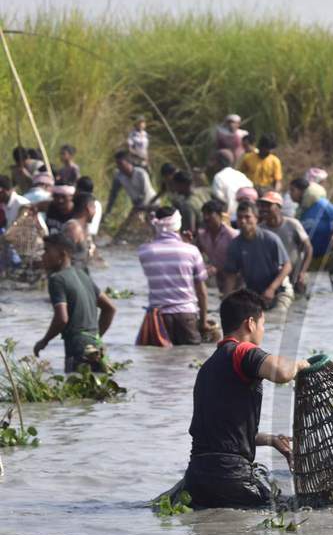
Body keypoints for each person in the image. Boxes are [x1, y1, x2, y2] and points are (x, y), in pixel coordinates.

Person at [182, 290, 308, 508]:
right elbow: (282, 373)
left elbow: (222, 433)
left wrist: (270, 440)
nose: (262, 330)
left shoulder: (209, 367)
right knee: (289, 511)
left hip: (196, 478)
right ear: (250, 323)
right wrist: (299, 365)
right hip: (231, 476)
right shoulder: (242, 351)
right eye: (262, 324)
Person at [33, 233, 115, 372]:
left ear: (62, 254)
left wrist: (44, 341)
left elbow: (62, 319)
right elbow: (110, 309)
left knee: (76, 389)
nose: (43, 255)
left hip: (77, 348)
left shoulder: (57, 279)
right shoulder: (83, 275)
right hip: (96, 346)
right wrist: (95, 337)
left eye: (47, 250)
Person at [135, 207, 208, 346]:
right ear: (178, 224)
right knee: (189, 361)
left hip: (158, 318)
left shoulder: (144, 252)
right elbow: (202, 292)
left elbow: (155, 244)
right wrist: (203, 322)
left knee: (160, 363)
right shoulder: (191, 251)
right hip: (187, 316)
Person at [221, 201, 293, 310]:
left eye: (247, 217)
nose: (243, 221)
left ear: (256, 218)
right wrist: (225, 302)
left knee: (277, 318)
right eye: (240, 217)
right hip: (255, 294)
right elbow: (231, 276)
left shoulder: (270, 239)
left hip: (280, 290)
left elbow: (287, 266)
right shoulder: (235, 245)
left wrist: (272, 289)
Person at [260, 192, 313, 293]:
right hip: (274, 279)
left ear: (279, 207)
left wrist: (302, 272)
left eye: (268, 205)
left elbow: (308, 248)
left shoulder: (292, 224)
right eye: (262, 206)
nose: (264, 209)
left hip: (296, 276)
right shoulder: (261, 230)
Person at [294, 180, 333, 273]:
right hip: (315, 255)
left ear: (302, 191)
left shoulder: (321, 204)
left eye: (293, 190)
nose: (291, 194)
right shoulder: (301, 211)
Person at [106, 150, 156, 216]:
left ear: (128, 162)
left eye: (120, 164)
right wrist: (108, 211)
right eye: (117, 164)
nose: (118, 167)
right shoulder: (119, 176)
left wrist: (138, 209)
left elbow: (145, 193)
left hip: (152, 204)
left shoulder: (141, 173)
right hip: (137, 206)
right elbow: (113, 194)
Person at [195, 200, 235, 277]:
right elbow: (195, 254)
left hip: (233, 279)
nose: (206, 217)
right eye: (204, 214)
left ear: (219, 215)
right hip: (216, 279)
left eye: (209, 213)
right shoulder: (202, 235)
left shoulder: (231, 235)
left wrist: (218, 269)